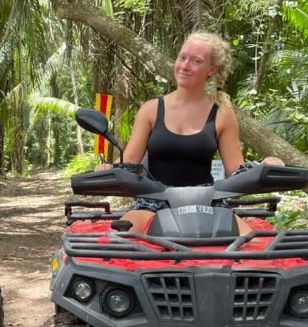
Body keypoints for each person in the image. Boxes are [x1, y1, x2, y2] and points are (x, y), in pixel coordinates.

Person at [98, 31, 283, 234]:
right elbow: (129, 163)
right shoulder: (151, 110)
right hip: (154, 201)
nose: (185, 66)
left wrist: (262, 166)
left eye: (196, 61)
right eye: (182, 57)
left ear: (211, 69)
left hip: (208, 203)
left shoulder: (222, 114)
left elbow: (235, 170)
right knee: (118, 240)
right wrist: (108, 169)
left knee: (253, 242)